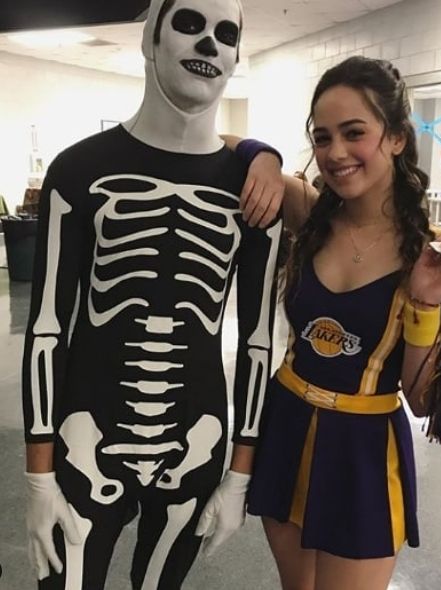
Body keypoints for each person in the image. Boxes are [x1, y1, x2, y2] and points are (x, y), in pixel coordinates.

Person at [21, 1, 284, 588]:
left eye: (225, 34)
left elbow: (259, 341)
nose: (209, 44)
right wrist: (38, 475)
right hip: (84, 438)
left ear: (236, 57)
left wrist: (240, 473)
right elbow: (46, 327)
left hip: (194, 443)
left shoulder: (255, 195)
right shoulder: (77, 172)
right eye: (189, 24)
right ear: (150, 39)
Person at [245, 56, 441, 590]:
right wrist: (263, 157)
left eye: (354, 133)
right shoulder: (311, 213)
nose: (335, 153)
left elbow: (422, 401)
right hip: (286, 426)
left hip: (362, 449)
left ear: (395, 138)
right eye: (322, 138)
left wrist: (425, 306)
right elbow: (225, 143)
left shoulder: (429, 254)